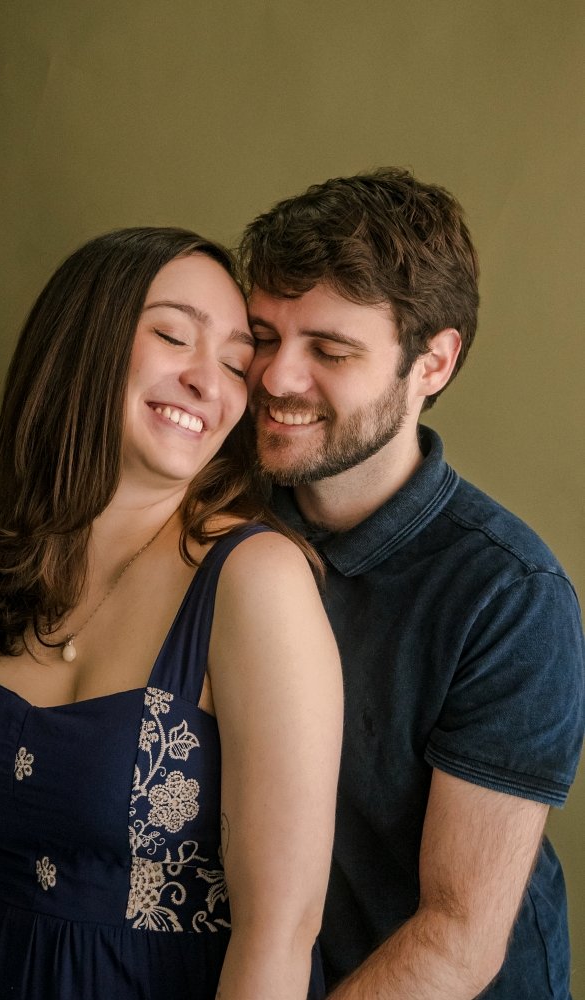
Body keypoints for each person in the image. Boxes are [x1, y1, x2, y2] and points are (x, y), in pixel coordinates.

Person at [0, 227, 343, 1000]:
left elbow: (280, 932)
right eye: (174, 336)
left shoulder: (254, 580)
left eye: (234, 363)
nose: (208, 382)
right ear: (82, 343)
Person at [239, 168, 584, 999]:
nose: (277, 379)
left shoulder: (510, 596)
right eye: (262, 336)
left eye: (330, 351)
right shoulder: (220, 522)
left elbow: (459, 938)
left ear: (432, 363)